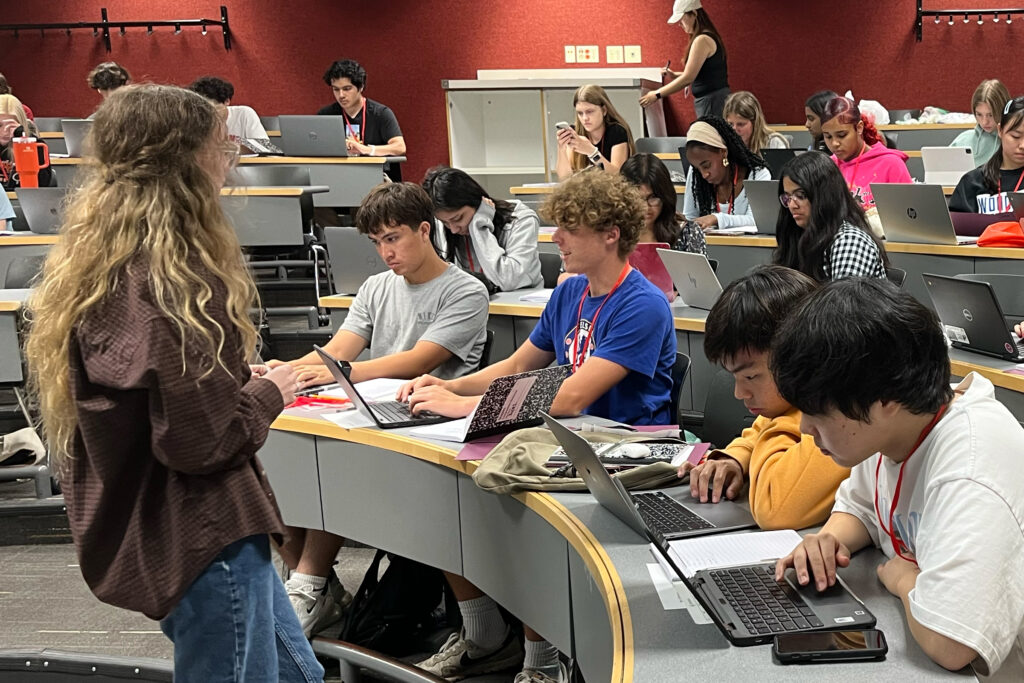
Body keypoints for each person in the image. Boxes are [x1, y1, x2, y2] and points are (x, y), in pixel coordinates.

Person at [23, 84, 324, 682]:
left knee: (300, 675)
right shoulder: (176, 281)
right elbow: (199, 444)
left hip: (177, 530)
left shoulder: (103, 263)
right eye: (220, 143)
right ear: (183, 159)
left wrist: (230, 380)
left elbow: (155, 391)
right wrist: (270, 392)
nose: (231, 155)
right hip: (205, 537)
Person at [402, 172, 676, 683]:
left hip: (623, 453)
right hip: (568, 441)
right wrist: (447, 387)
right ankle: (491, 636)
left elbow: (571, 397)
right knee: (451, 493)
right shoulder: (571, 290)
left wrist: (465, 409)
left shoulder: (643, 303)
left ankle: (541, 663)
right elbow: (517, 367)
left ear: (610, 233)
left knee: (520, 512)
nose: (556, 239)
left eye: (569, 228)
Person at [772, 278, 1024, 680]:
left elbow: (952, 642)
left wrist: (903, 578)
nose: (804, 428)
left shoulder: (973, 463)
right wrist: (829, 540)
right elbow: (862, 508)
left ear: (884, 401)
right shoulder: (896, 432)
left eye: (818, 412)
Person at [268, 181, 489, 636]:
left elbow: (419, 361)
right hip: (374, 416)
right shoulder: (376, 287)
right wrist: (283, 370)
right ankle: (317, 585)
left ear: (424, 231)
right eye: (376, 242)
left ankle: (309, 583)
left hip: (428, 425)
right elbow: (338, 349)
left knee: (331, 464)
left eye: (393, 238)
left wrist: (342, 372)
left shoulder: (466, 291)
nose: (385, 252)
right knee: (277, 465)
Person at [679, 265, 848, 530]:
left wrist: (778, 422)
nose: (739, 393)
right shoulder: (795, 405)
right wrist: (734, 457)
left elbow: (774, 509)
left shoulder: (841, 416)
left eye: (751, 377)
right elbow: (760, 430)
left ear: (801, 358)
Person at [422, 166, 543, 291]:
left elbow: (507, 280)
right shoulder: (446, 228)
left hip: (518, 306)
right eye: (445, 222)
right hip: (470, 305)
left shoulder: (521, 219)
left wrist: (480, 228)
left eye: (458, 219)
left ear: (476, 202)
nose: (453, 229)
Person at [773, 152, 888, 281]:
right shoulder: (799, 235)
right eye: (787, 197)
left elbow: (843, 300)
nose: (792, 205)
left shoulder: (850, 241)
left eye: (800, 195)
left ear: (824, 196)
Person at [317, 59, 405, 180]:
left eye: (347, 89)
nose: (341, 95)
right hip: (340, 177)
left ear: (361, 87)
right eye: (336, 89)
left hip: (378, 180)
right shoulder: (326, 115)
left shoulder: (381, 114)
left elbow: (400, 147)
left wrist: (367, 149)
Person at [640, 0, 729, 119]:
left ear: (694, 13)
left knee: (710, 136)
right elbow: (701, 74)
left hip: (712, 101)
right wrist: (674, 75)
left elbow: (688, 78)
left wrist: (656, 94)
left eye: (682, 19)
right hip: (713, 99)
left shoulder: (702, 40)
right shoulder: (707, 36)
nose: (680, 24)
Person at [820, 96, 912, 209]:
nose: (834, 143)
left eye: (842, 135)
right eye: (828, 136)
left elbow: (910, 214)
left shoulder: (891, 164)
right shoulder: (827, 167)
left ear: (859, 128)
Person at [682, 115, 770, 232]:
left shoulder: (758, 174)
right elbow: (690, 218)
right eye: (698, 169)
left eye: (706, 165)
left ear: (723, 152)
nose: (704, 174)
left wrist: (716, 218)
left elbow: (757, 221)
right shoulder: (695, 175)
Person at [949, 95, 1024, 215]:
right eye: (1015, 136)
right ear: (1000, 131)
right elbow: (957, 228)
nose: (1022, 145)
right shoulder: (973, 182)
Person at [621, 153, 706, 255]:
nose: (645, 207)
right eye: (637, 198)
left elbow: (695, 271)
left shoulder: (687, 233)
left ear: (665, 196)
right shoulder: (612, 234)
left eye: (653, 198)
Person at [555, 84, 634, 180]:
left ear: (604, 110)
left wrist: (592, 152)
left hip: (611, 192)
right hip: (582, 191)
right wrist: (561, 149)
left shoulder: (617, 131)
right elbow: (564, 178)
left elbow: (617, 176)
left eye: (590, 112)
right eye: (580, 113)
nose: (585, 118)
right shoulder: (575, 132)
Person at [188, 75, 280, 153]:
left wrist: (228, 144)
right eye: (204, 109)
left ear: (226, 101)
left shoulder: (244, 114)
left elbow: (266, 147)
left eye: (214, 108)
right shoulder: (196, 116)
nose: (209, 113)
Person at [949, 79, 1009, 168]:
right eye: (979, 114)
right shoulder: (962, 140)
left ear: (1003, 111)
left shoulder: (1014, 141)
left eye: (990, 115)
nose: (984, 122)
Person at [0, 94, 53, 190]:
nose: (5, 131)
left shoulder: (34, 145)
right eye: (0, 125)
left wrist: (24, 139)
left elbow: (42, 184)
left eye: (11, 125)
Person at [723, 91, 788, 155]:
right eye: (730, 124)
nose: (734, 129)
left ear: (755, 123)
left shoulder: (774, 143)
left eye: (741, 124)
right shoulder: (722, 145)